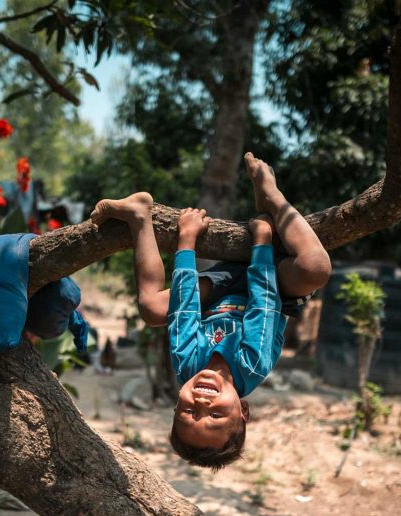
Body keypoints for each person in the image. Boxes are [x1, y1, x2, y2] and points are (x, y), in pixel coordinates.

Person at [90, 153, 331, 468]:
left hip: (222, 288)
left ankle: (139, 216)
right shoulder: (252, 365)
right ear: (243, 410)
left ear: (177, 405)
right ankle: (273, 197)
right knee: (316, 268)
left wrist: (186, 242)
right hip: (271, 288)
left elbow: (184, 311)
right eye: (216, 414)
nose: (202, 402)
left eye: (190, 411)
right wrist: (262, 243)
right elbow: (264, 306)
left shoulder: (186, 365)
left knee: (152, 308)